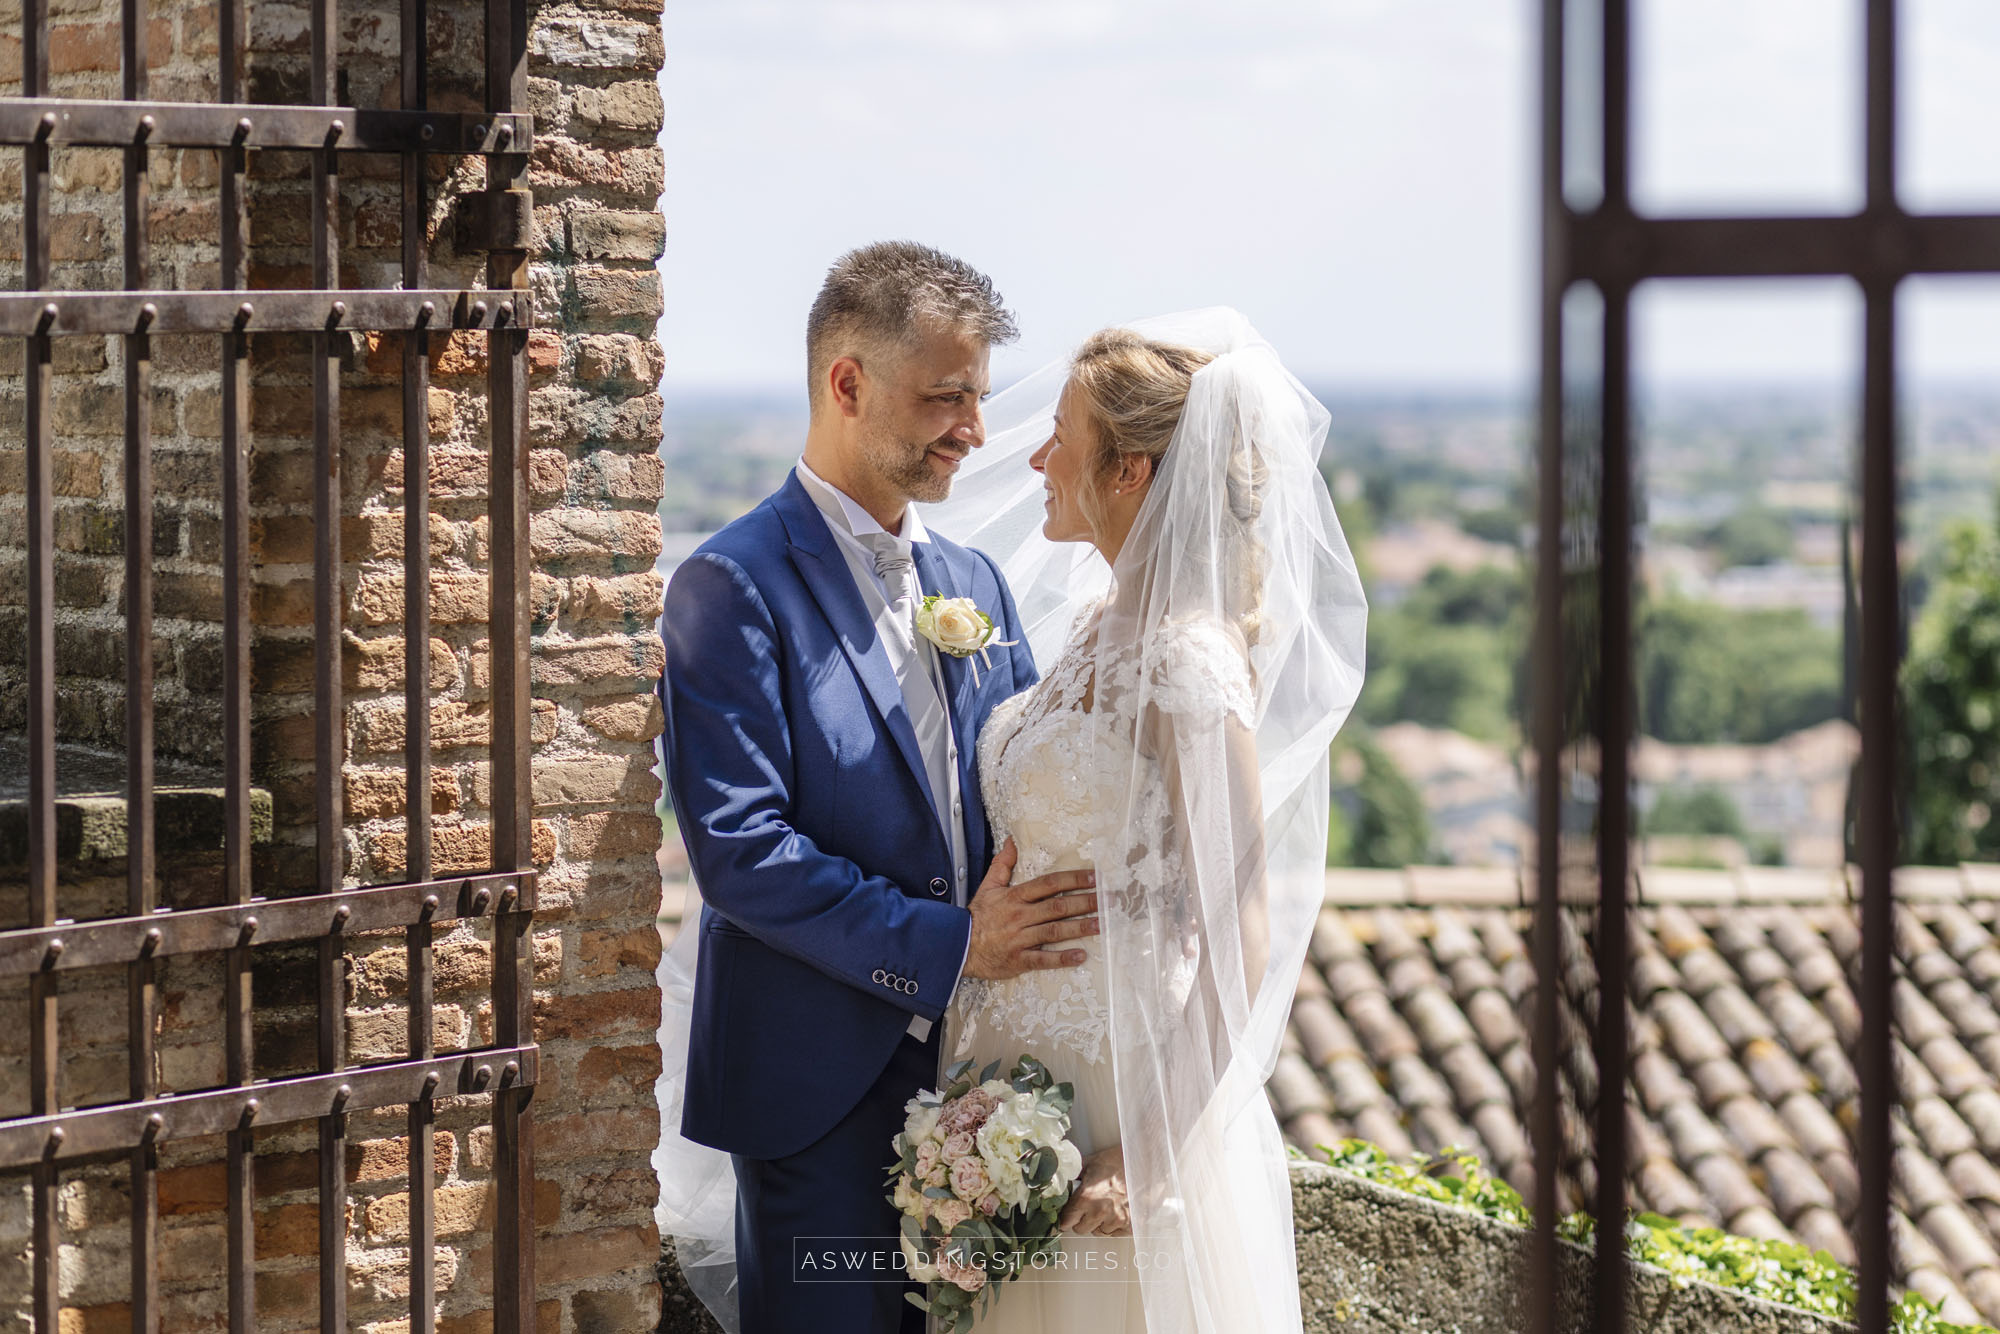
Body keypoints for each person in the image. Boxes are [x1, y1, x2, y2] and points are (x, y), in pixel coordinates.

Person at [655, 241, 1106, 1334]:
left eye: (978, 397)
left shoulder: (971, 580)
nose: (974, 430)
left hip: (982, 1089)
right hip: (815, 1092)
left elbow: (1025, 789)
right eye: (944, 396)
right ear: (846, 384)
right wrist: (955, 947)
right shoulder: (729, 584)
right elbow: (739, 850)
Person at [924, 309, 1367, 1332]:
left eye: (1062, 437)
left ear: (1127, 472)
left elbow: (1240, 927)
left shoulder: (1187, 661)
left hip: (1121, 1086)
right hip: (1012, 1074)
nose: (1034, 455)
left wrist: (1149, 1152)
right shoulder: (1090, 627)